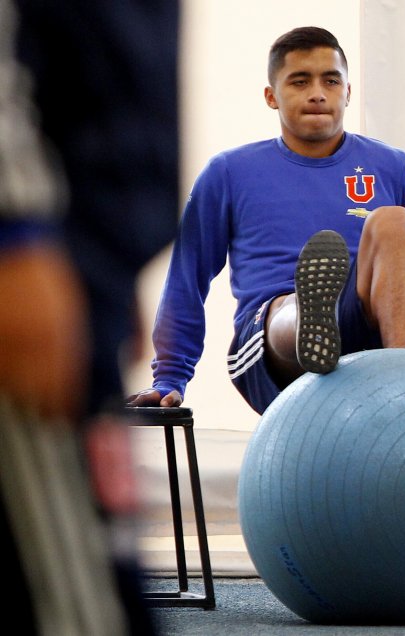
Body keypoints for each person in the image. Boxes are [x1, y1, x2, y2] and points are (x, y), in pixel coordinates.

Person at [127, 26, 405, 416]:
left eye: (331, 80)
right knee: (288, 308)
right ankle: (311, 324)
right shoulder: (229, 172)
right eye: (300, 81)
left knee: (394, 222)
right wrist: (170, 378)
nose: (317, 92)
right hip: (273, 341)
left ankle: (402, 378)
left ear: (347, 92)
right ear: (271, 96)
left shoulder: (395, 168)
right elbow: (186, 279)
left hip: (375, 325)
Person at [2, 0, 180, 633]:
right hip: (35, 246)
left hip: (85, 249)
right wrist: (16, 230)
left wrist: (118, 260)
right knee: (81, 596)